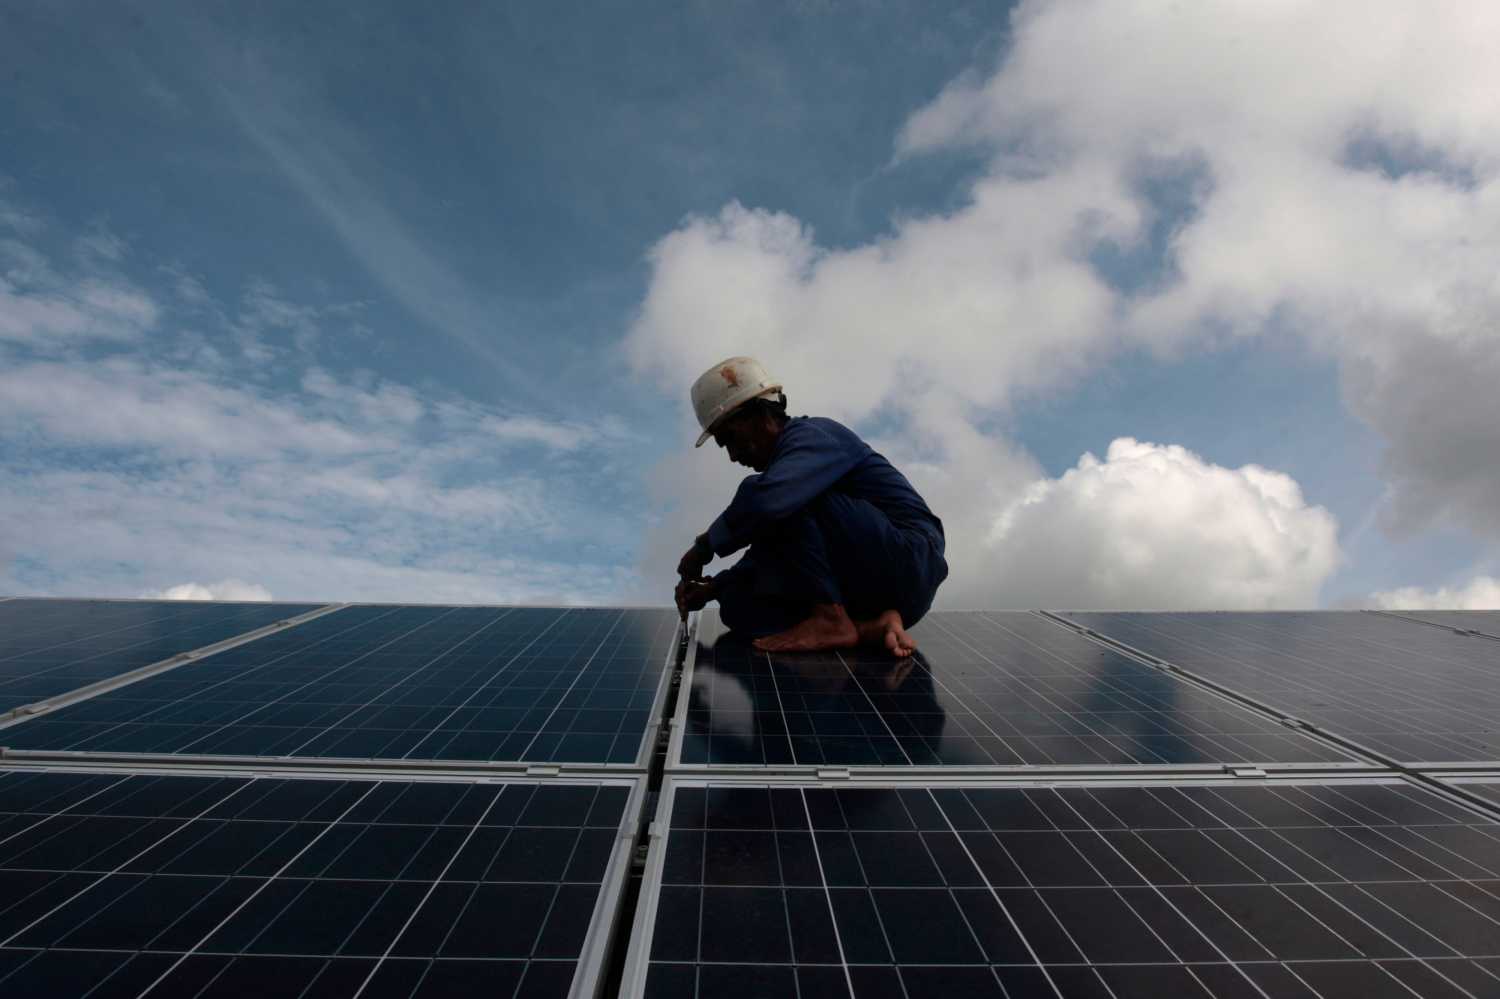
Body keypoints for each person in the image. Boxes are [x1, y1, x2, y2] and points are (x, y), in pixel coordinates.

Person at [674, 356, 948, 657]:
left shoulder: (816, 435)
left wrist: (705, 547)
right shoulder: (783, 491)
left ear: (758, 414)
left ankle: (830, 619)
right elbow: (777, 547)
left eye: (731, 439)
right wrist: (714, 589)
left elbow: (769, 504)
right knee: (738, 605)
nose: (733, 455)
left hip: (909, 559)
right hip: (873, 589)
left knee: (769, 496)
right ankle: (867, 628)